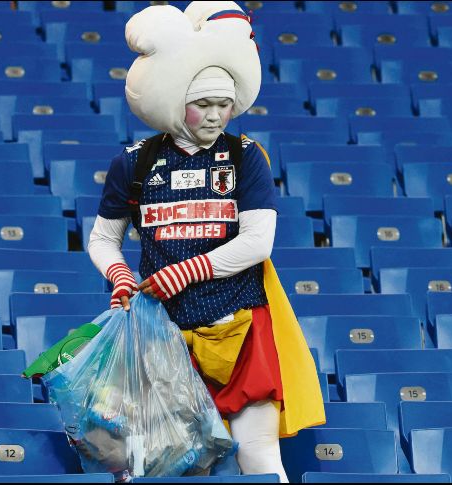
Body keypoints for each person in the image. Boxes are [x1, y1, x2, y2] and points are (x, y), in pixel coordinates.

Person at [88, 2, 325, 481]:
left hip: (239, 324)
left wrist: (186, 271)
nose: (218, 115)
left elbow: (259, 242)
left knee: (258, 455)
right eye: (204, 104)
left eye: (225, 103)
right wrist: (119, 277)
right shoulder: (132, 163)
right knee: (176, 464)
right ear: (175, 99)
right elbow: (102, 238)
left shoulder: (246, 157)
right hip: (164, 338)